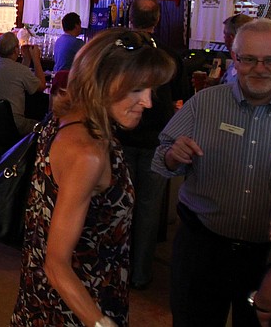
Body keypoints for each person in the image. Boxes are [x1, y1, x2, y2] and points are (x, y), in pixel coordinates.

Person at [11, 28, 175, 327]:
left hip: (47, 297)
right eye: (137, 89)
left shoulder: (70, 120)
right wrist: (99, 322)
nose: (148, 102)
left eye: (151, 90)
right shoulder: (88, 152)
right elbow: (57, 264)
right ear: (101, 82)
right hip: (73, 306)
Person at [152, 18, 271, 327]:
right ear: (234, 59)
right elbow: (161, 159)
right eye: (249, 59)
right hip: (203, 249)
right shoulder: (204, 104)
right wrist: (173, 156)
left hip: (268, 258)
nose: (259, 68)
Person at [114, 0, 186, 290]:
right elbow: (180, 102)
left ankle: (115, 270)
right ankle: (140, 275)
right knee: (148, 209)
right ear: (157, 21)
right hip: (157, 143)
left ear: (129, 18)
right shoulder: (169, 56)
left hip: (121, 140)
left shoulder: (117, 54)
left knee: (119, 206)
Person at [0, 31, 47, 136]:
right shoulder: (19, 70)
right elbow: (42, 85)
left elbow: (19, 75)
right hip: (12, 125)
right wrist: (36, 59)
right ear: (15, 50)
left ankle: (0, 151)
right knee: (45, 128)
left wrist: (26, 59)